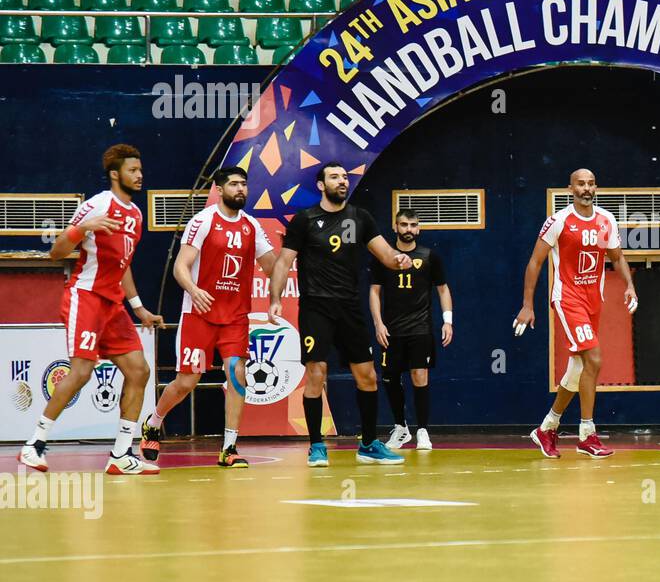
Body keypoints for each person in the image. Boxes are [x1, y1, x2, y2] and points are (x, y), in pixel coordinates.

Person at [18, 145, 164, 475]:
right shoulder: (97, 205)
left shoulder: (137, 216)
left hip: (113, 304)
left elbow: (123, 265)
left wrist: (139, 308)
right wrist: (86, 227)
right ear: (116, 174)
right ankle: (34, 445)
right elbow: (57, 252)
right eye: (132, 170)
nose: (139, 175)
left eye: (140, 170)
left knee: (139, 371)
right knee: (81, 372)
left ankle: (121, 455)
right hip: (86, 298)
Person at [268, 162, 413, 466]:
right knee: (316, 374)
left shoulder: (360, 217)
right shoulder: (305, 220)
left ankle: (370, 443)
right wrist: (275, 299)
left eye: (345, 177)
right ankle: (317, 446)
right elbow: (283, 263)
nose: (342, 181)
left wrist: (399, 259)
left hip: (349, 307)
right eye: (334, 177)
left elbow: (385, 254)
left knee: (368, 376)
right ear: (321, 185)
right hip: (316, 307)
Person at [140, 167, 277, 467]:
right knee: (187, 381)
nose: (240, 189)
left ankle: (229, 448)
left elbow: (273, 267)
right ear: (218, 189)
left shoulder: (252, 226)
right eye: (233, 185)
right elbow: (181, 266)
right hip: (199, 315)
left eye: (244, 184)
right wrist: (194, 289)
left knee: (237, 375)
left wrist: (293, 252)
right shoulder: (202, 221)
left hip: (235, 318)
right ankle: (154, 422)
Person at [514, 169, 637, 458]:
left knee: (578, 369)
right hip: (568, 299)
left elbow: (617, 257)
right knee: (594, 358)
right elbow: (535, 262)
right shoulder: (558, 221)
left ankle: (547, 428)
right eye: (581, 184)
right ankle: (587, 434)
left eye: (591, 183)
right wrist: (528, 305)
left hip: (594, 300)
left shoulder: (606, 220)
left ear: (596, 187)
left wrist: (630, 286)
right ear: (570, 188)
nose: (586, 188)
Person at [372, 209, 453, 452]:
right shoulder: (384, 257)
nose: (408, 229)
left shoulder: (429, 256)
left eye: (413, 225)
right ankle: (401, 427)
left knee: (420, 376)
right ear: (395, 227)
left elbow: (443, 289)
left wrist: (447, 321)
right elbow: (374, 291)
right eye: (404, 224)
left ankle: (423, 431)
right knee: (389, 378)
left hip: (420, 328)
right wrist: (378, 323)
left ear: (418, 229)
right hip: (391, 329)